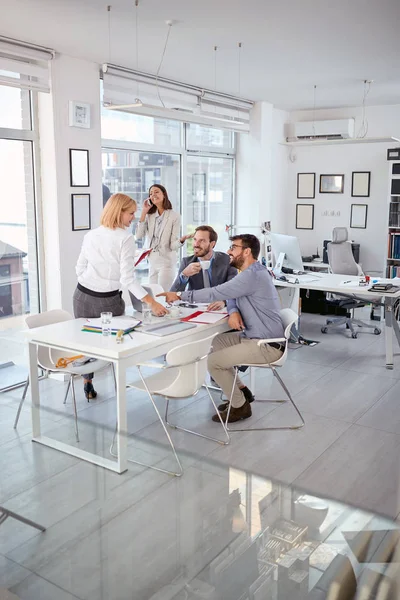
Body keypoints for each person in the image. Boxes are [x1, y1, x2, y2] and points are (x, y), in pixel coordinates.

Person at [160, 234, 284, 423]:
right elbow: (231, 293)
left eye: (233, 247)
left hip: (266, 345)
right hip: (257, 336)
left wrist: (179, 295)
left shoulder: (252, 275)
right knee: (216, 342)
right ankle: (241, 391)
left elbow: (217, 292)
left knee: (213, 362)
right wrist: (233, 311)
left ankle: (240, 406)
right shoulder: (252, 272)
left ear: (247, 251)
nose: (228, 251)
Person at [73, 193, 168, 401]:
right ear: (119, 212)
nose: (133, 217)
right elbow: (127, 279)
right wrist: (151, 302)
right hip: (108, 300)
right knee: (115, 342)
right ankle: (116, 390)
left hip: (82, 295)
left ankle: (87, 382)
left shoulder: (91, 235)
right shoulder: (125, 238)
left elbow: (79, 268)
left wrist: (94, 280)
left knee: (86, 341)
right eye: (131, 213)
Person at [135, 184, 192, 291]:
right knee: (153, 294)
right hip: (152, 262)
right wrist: (144, 211)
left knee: (163, 294)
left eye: (156, 192)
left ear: (164, 195)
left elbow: (172, 245)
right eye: (151, 193)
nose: (153, 195)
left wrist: (181, 240)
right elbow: (138, 235)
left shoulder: (174, 216)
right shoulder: (149, 216)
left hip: (166, 262)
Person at [170, 225, 238, 311]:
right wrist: (184, 275)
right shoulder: (187, 262)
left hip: (220, 310)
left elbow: (234, 289)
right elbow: (172, 295)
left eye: (201, 241)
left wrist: (224, 301)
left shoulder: (227, 260)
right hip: (195, 308)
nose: (196, 244)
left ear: (212, 244)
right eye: (195, 240)